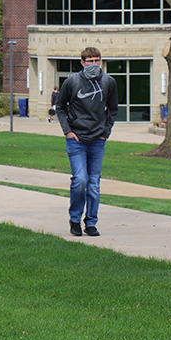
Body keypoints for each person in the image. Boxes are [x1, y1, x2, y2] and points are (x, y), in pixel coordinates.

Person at [56, 47, 118, 237]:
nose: (93, 64)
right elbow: (60, 107)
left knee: (93, 183)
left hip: (97, 140)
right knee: (80, 180)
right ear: (82, 63)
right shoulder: (72, 82)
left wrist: (105, 133)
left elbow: (113, 109)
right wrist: (67, 131)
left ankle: (91, 222)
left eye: (97, 60)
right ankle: (74, 219)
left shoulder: (109, 82)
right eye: (89, 61)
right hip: (77, 139)